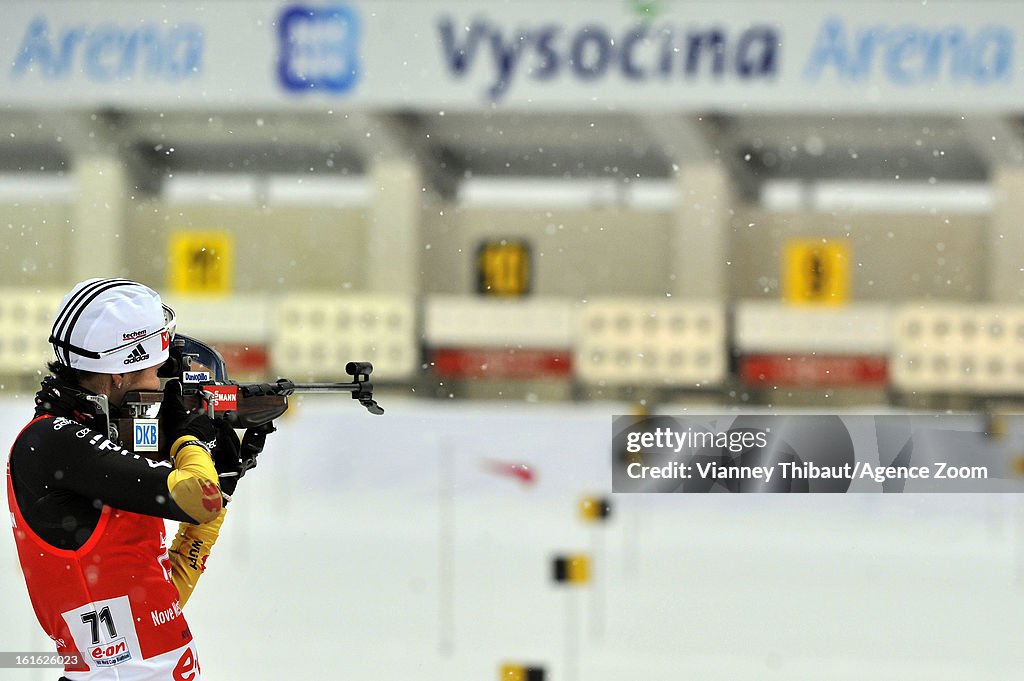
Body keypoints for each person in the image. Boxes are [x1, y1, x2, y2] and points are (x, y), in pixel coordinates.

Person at [5, 277, 260, 680]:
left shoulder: (84, 441)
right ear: (119, 374)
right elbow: (197, 497)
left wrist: (218, 494)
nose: (160, 385)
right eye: (155, 371)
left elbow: (157, 603)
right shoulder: (54, 442)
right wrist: (189, 438)